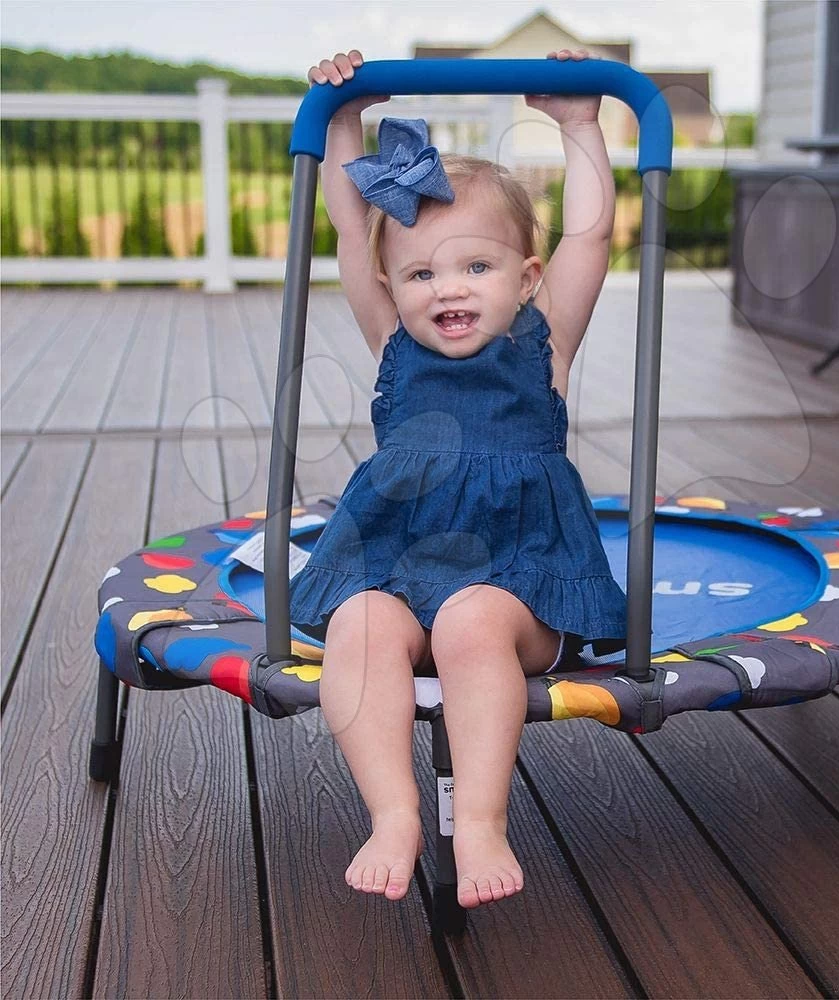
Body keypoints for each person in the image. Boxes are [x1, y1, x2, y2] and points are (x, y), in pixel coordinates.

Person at [291, 48, 627, 909]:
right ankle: (393, 812)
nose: (449, 289)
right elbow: (348, 226)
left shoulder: (543, 342)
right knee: (360, 625)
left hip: (518, 584)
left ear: (526, 278)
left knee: (472, 623)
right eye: (422, 272)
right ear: (391, 284)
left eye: (476, 267)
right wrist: (343, 119)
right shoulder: (392, 344)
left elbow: (590, 235)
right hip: (398, 569)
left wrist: (580, 124)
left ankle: (479, 818)